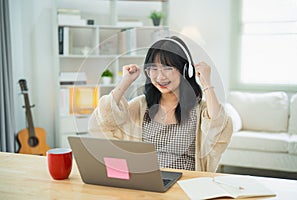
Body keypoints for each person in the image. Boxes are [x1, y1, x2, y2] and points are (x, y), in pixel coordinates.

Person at [88, 36, 233, 172]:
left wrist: (206, 82)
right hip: (145, 182)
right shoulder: (141, 106)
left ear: (184, 70)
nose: (160, 77)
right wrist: (126, 81)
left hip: (185, 184)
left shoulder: (199, 109)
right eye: (154, 69)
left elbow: (218, 127)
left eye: (168, 68)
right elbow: (104, 122)